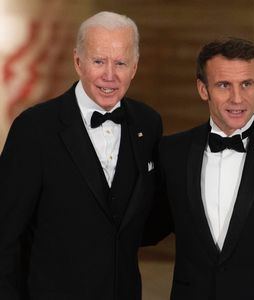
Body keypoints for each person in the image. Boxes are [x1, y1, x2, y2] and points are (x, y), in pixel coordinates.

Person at [0, 11, 162, 300]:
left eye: (121, 63)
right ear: (78, 61)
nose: (109, 76)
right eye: (99, 61)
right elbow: (5, 235)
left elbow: (145, 220)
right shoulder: (34, 129)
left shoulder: (148, 124)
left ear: (134, 67)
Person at [157, 38, 254, 299]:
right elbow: (146, 228)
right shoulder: (172, 153)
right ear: (203, 89)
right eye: (224, 85)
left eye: (246, 84)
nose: (237, 98)